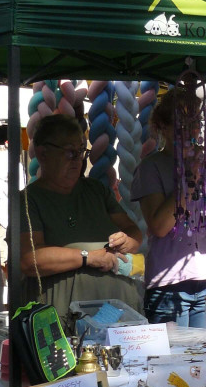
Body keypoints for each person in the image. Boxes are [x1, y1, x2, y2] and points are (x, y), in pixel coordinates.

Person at [19, 114, 142, 328]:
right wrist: (88, 258)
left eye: (81, 152)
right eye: (69, 152)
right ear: (43, 153)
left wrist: (129, 241)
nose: (78, 160)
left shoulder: (96, 190)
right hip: (67, 318)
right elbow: (30, 260)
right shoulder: (28, 201)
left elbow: (132, 230)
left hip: (119, 312)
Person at [131, 87, 206, 327]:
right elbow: (159, 226)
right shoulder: (151, 168)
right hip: (169, 283)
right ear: (163, 127)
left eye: (195, 122)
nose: (192, 130)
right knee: (174, 359)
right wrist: (188, 181)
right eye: (182, 123)